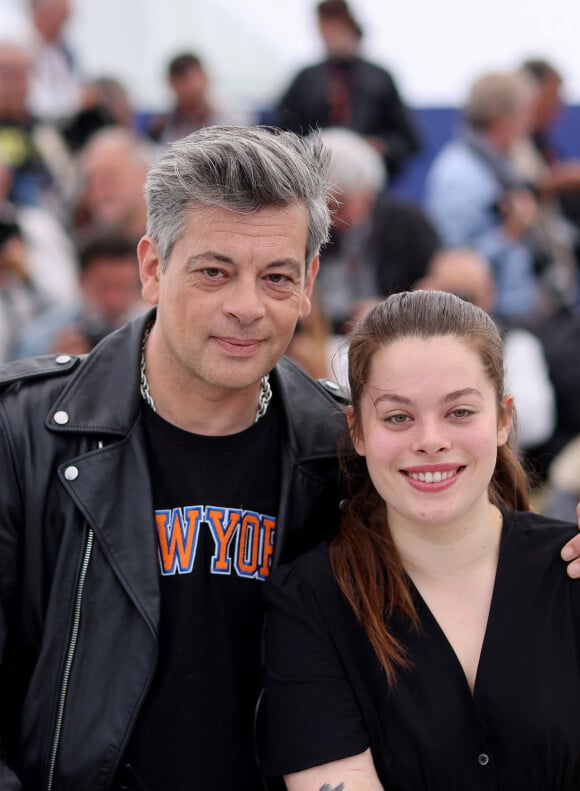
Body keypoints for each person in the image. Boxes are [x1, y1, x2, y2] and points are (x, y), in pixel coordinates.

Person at [0, 125, 347, 790]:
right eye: (214, 271)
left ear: (307, 284)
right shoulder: (23, 433)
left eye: (275, 276)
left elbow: (465, 593)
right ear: (153, 267)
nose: (245, 306)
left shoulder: (346, 450)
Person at [259, 290, 580, 789]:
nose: (430, 440)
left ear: (502, 419)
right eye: (398, 417)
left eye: (459, 412)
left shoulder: (571, 566)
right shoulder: (310, 603)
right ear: (358, 431)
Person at [424, 70, 573, 326]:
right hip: (491, 322)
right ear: (502, 119)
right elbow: (451, 264)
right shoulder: (459, 176)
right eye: (524, 112)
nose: (528, 123)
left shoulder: (499, 164)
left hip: (522, 311)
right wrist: (509, 234)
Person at [274, 0, 420, 180]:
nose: (330, 34)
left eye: (336, 26)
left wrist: (378, 146)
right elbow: (279, 133)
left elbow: (408, 140)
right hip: (313, 180)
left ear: (351, 27)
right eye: (325, 27)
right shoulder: (306, 79)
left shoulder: (379, 78)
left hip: (366, 182)